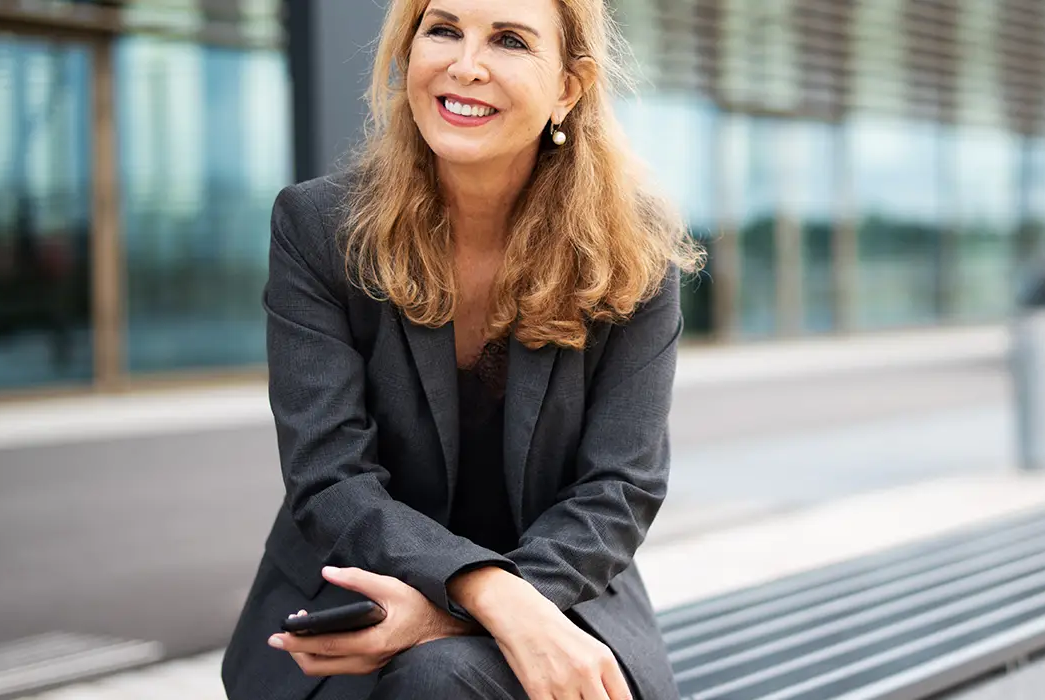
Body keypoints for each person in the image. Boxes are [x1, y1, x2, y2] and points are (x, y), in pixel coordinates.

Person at [219, 0, 703, 697]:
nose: (465, 65)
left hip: (566, 601)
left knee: (440, 674)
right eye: (442, 30)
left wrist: (445, 620)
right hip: (358, 609)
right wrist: (490, 600)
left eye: (508, 40)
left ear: (568, 87)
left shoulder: (634, 251)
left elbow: (619, 489)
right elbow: (330, 478)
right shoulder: (319, 227)